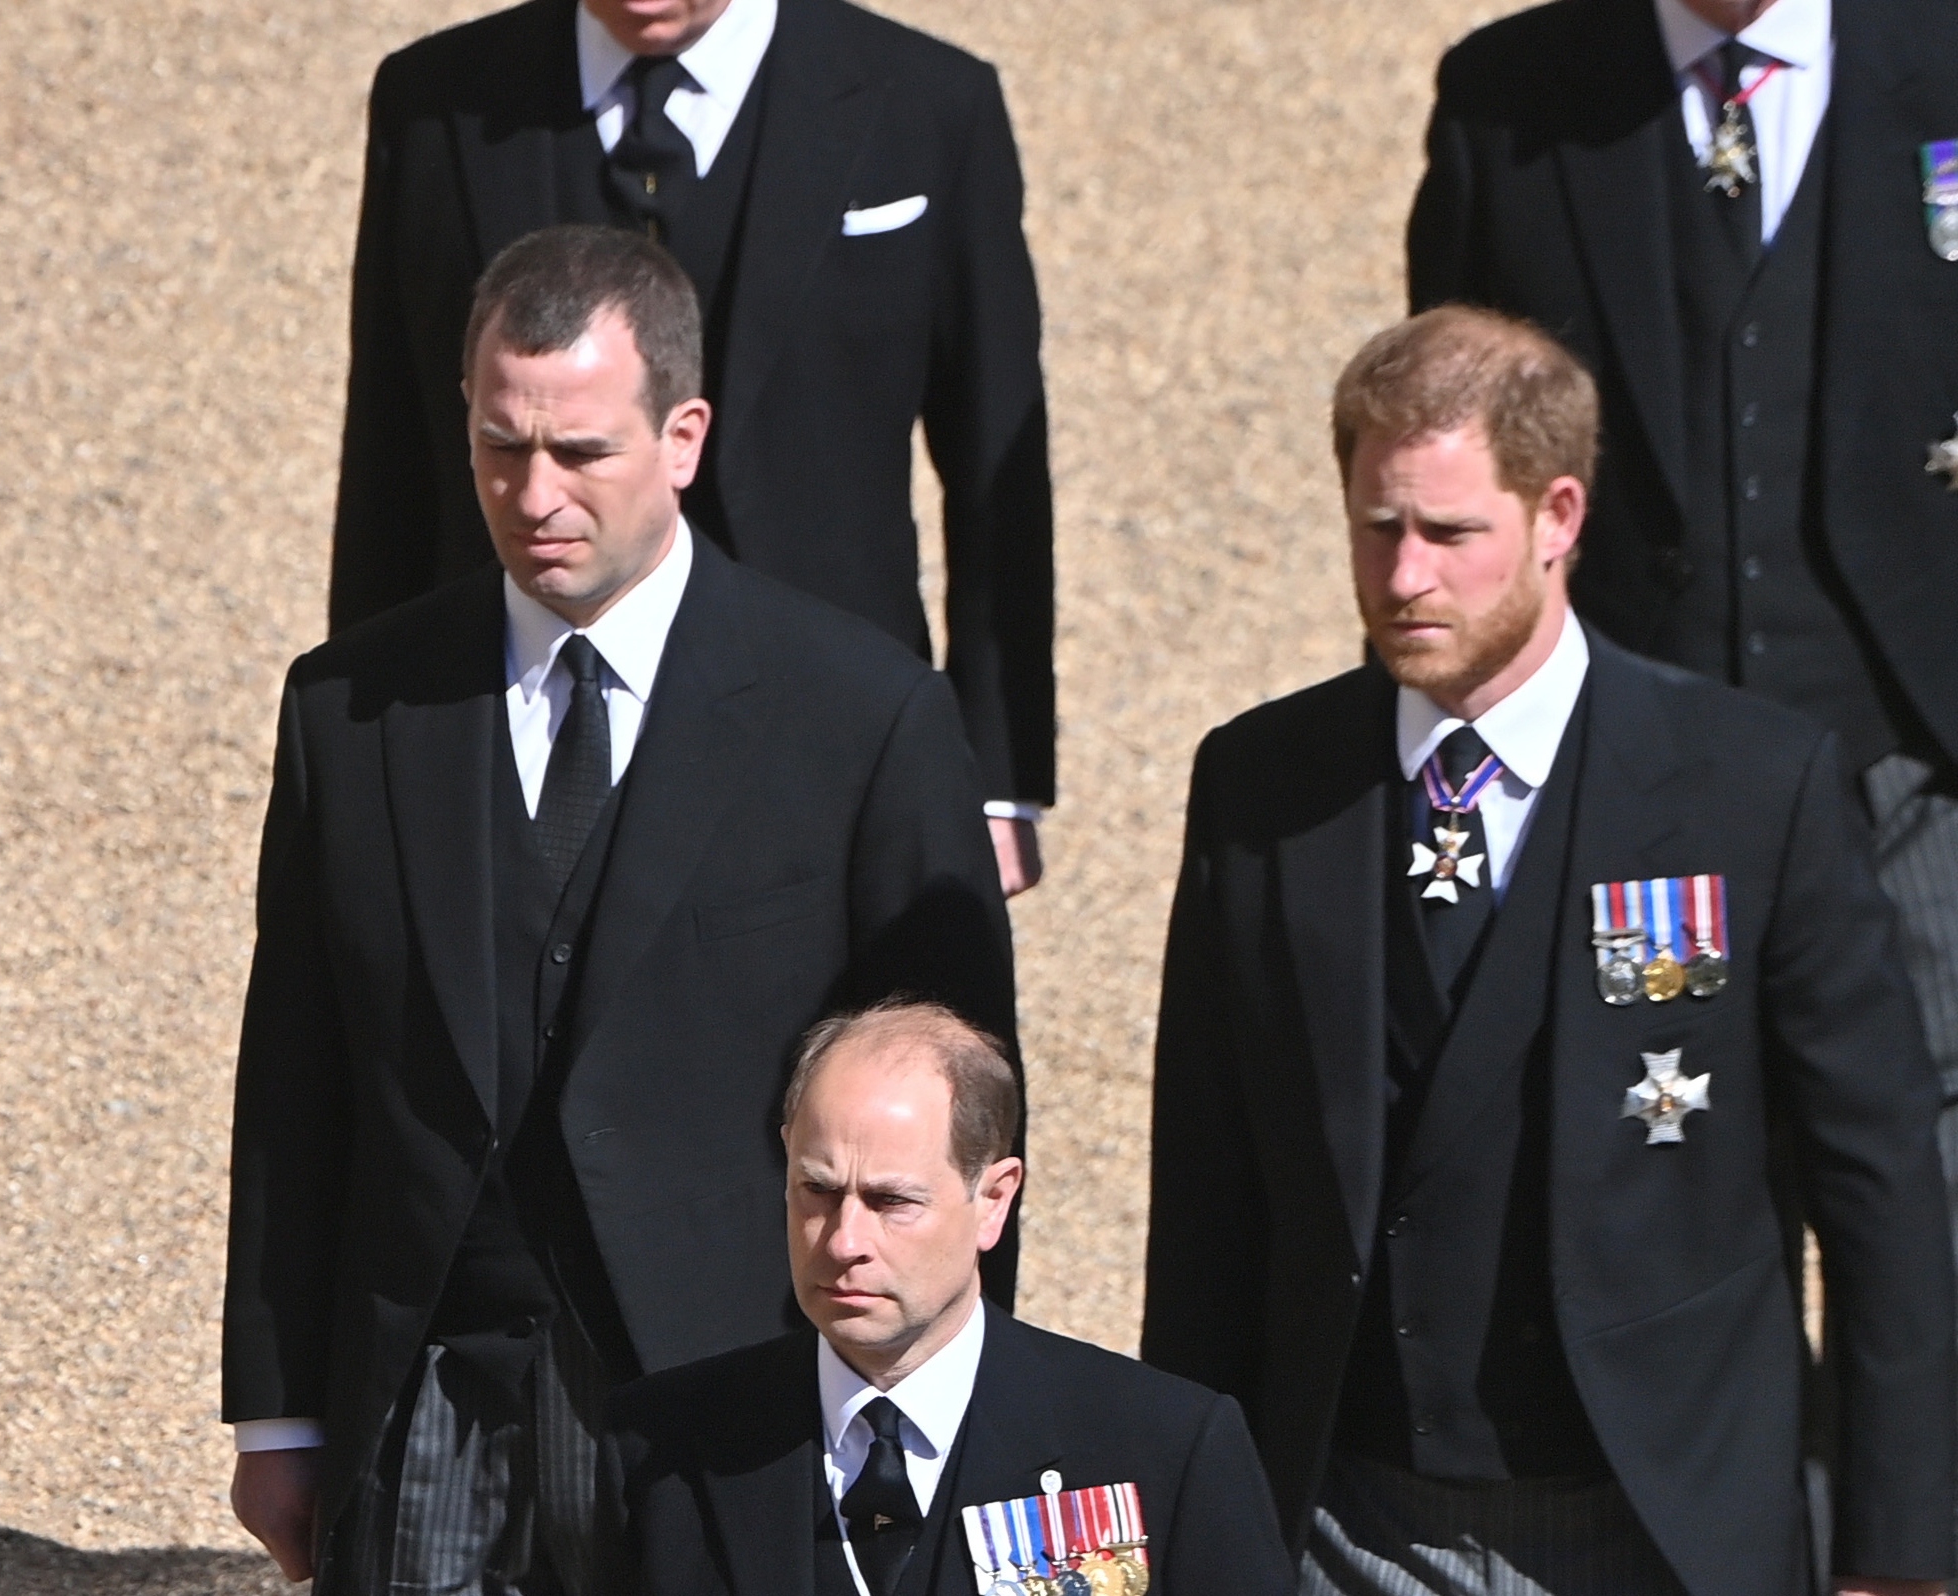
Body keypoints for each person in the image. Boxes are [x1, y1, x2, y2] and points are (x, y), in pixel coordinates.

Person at [225, 225, 1017, 1594]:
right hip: (428, 1396)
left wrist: (947, 1415)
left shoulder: (860, 717)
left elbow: (965, 1105)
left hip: (734, 1405)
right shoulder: (352, 710)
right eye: (499, 446)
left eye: (581, 452)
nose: (533, 494)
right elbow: (296, 1075)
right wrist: (279, 1414)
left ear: (682, 438)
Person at [1141, 307, 1954, 1596]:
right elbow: (1206, 1188)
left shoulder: (1749, 787)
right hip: (1344, 1522)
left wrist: (1896, 1548)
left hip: (1657, 1523)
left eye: (1449, 533)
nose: (1404, 575)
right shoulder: (1261, 786)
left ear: (1556, 515)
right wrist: (1183, 1523)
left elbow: (1879, 1181)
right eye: (1375, 527)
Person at [1407, 0, 1958, 1296]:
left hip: (1916, 766)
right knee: (1670, 1176)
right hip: (1647, 800)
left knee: (1930, 1205)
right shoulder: (1512, 95)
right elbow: (1454, 460)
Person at [330, 0, 1057, 899]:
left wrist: (995, 779)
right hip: (506, 708)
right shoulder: (435, 97)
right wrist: (356, 740)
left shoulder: (929, 101)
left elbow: (995, 455)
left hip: (827, 719)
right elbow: (390, 442)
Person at [610, 1000, 1292, 1596]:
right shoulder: (662, 1443)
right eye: (818, 1191)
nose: (844, 1241)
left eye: (891, 1201)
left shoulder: (1159, 1446)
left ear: (993, 1200)